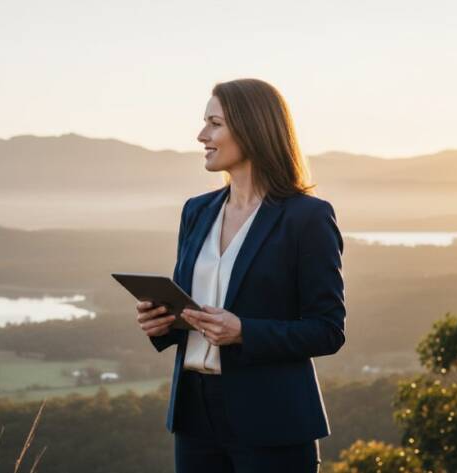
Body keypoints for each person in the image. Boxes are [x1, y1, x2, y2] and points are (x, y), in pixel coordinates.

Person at [136, 78, 345, 473]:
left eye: (214, 124)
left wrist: (243, 331)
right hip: (194, 418)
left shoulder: (307, 218)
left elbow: (328, 330)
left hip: (274, 420)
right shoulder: (196, 211)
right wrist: (161, 324)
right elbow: (194, 313)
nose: (202, 135)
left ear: (251, 128)